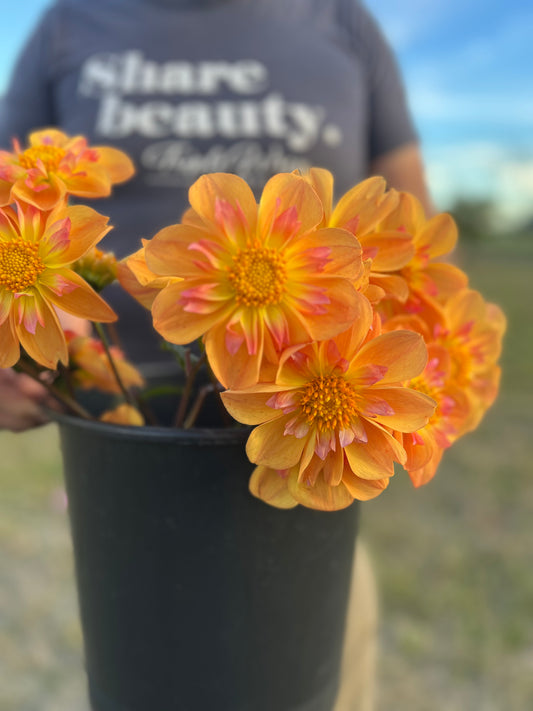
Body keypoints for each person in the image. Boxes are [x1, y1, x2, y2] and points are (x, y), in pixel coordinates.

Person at [0, 1, 433, 708]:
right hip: (114, 440)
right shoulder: (68, 24)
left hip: (308, 467)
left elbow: (410, 226)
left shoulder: (344, 22)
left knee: (310, 676)